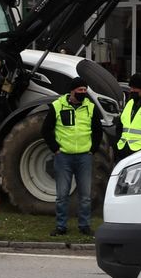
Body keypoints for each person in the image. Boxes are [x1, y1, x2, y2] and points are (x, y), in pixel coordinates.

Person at [42, 79, 102, 235]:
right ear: (72, 91)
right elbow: (46, 130)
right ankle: (61, 226)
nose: (83, 93)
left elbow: (97, 131)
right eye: (80, 90)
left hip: (84, 157)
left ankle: (85, 225)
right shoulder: (57, 106)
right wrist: (56, 149)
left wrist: (92, 150)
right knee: (62, 195)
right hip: (64, 157)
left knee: (85, 195)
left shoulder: (90, 107)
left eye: (85, 90)